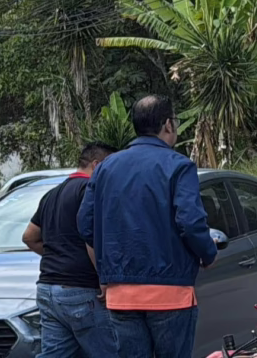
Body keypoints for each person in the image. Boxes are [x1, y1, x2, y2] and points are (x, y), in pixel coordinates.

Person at [79, 94, 218, 358]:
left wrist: (109, 265)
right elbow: (190, 222)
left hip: (121, 294)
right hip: (171, 292)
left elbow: (85, 225)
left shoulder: (105, 168)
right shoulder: (179, 166)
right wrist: (208, 254)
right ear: (168, 125)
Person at [22, 142, 119, 358]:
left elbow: (29, 237)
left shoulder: (52, 194)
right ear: (97, 165)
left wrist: (58, 256)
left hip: (47, 288)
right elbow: (91, 237)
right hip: (82, 291)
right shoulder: (89, 191)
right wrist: (104, 279)